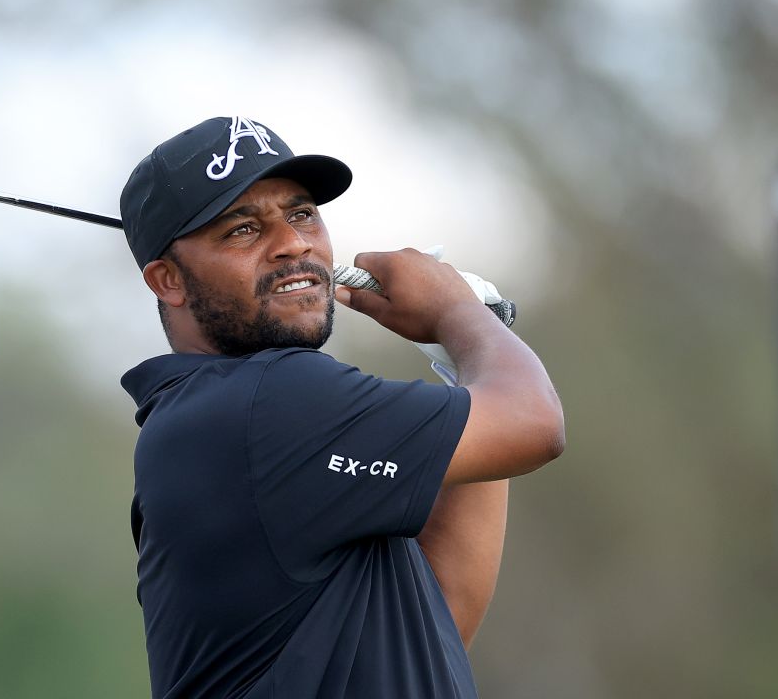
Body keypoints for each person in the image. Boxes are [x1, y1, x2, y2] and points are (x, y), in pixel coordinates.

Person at [119, 116, 565, 698]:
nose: (294, 244)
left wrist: (462, 362)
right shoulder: (266, 401)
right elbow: (534, 424)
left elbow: (436, 623)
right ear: (168, 280)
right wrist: (460, 313)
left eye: (301, 214)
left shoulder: (220, 420)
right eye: (243, 229)